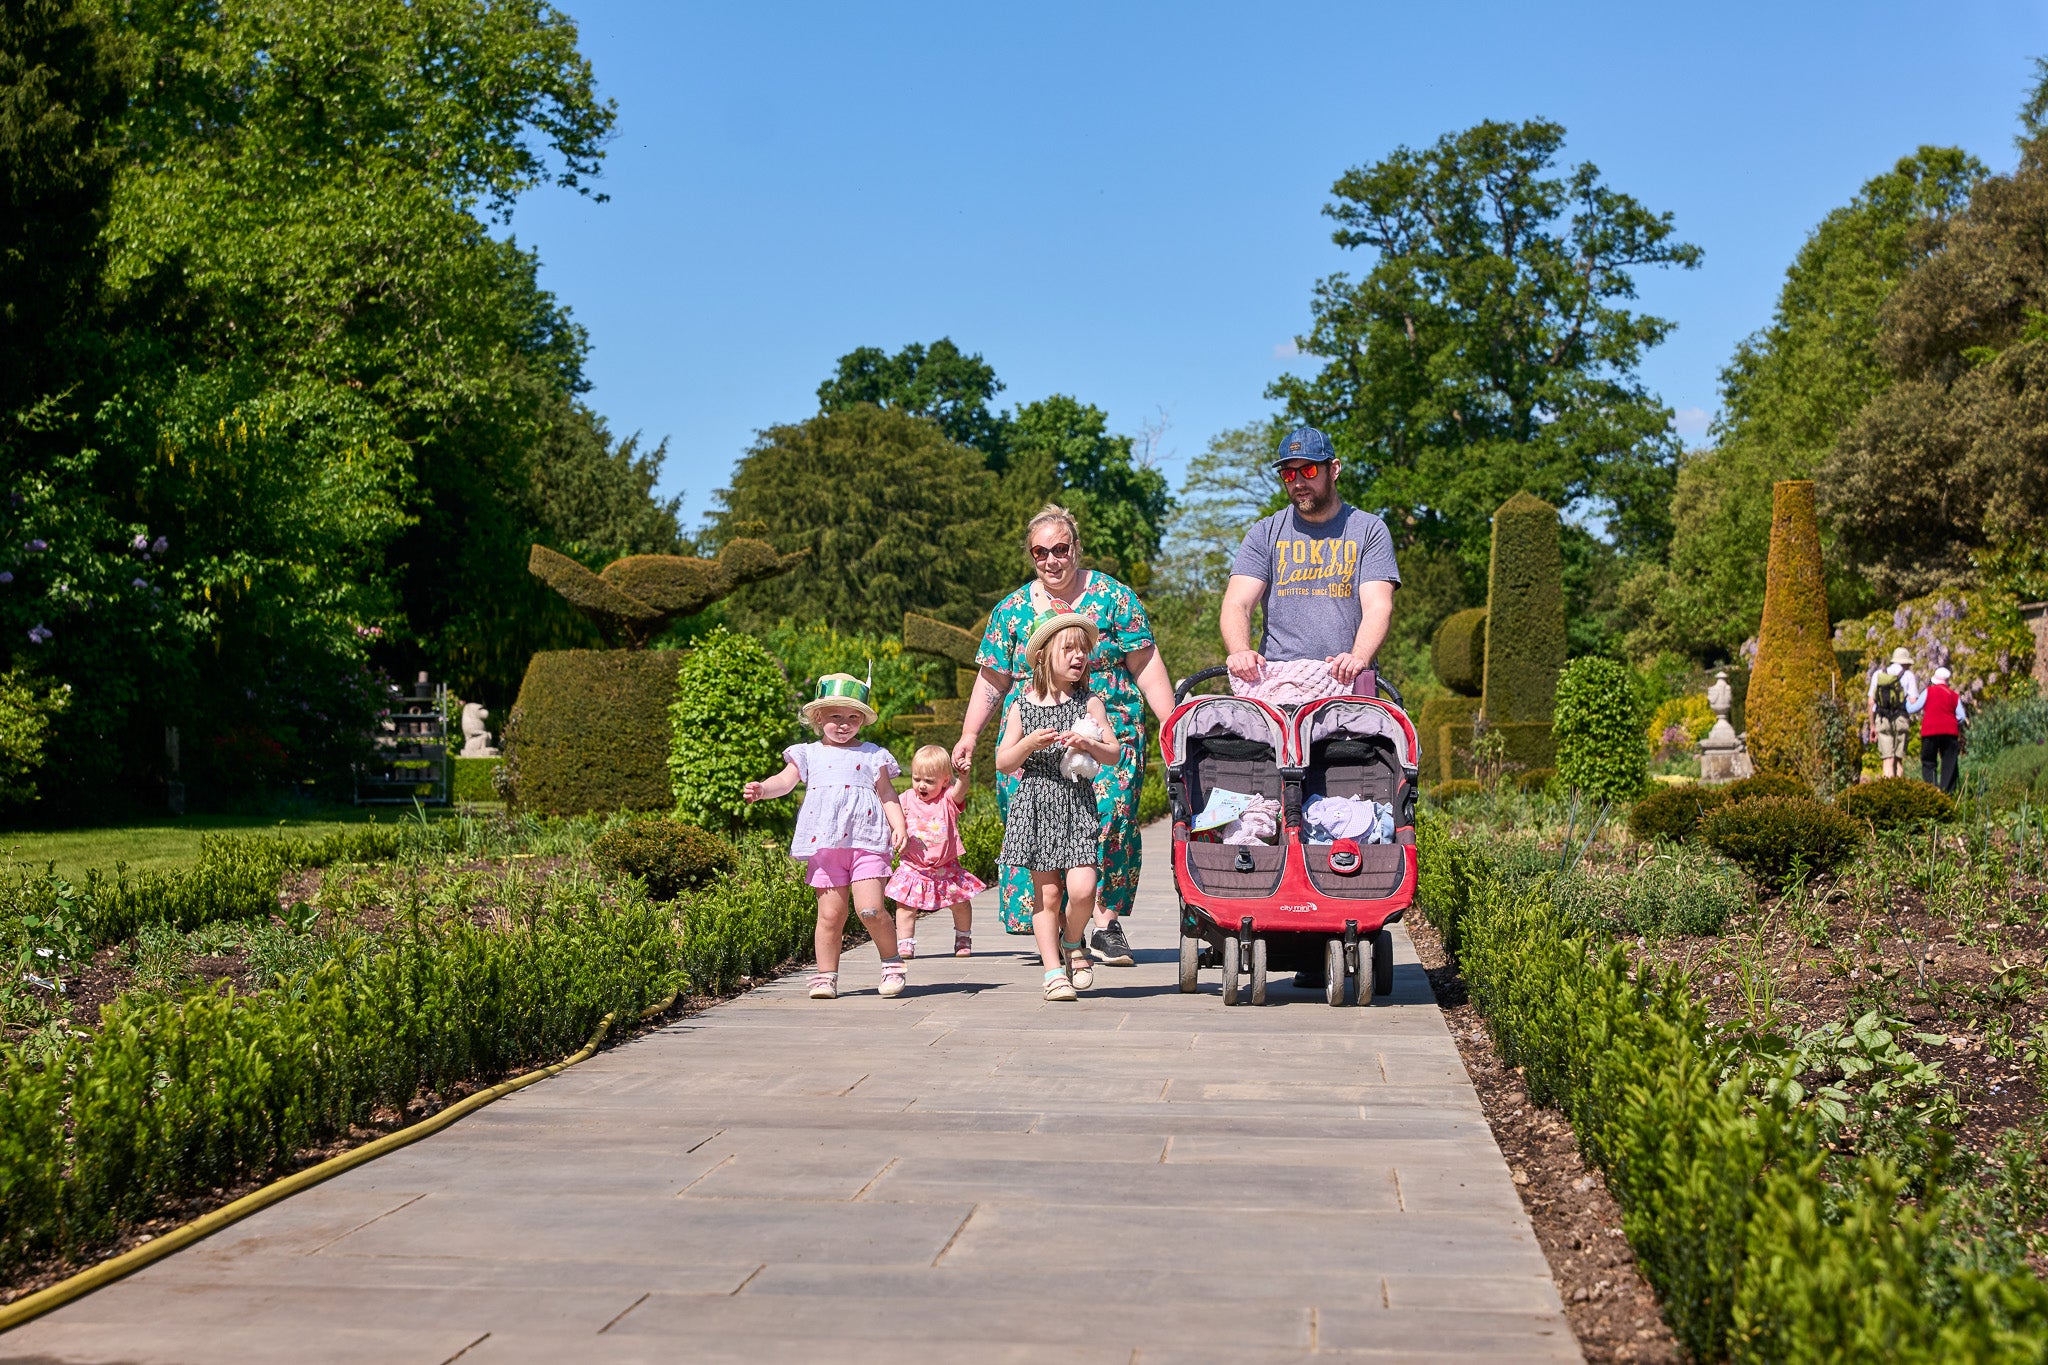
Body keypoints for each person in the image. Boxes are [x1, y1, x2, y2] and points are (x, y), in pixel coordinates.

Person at [953, 504, 1175, 965]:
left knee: (1110, 821)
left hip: (1105, 724)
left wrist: (1173, 724)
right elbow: (992, 678)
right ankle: (1058, 927)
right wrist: (970, 734)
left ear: (1076, 546)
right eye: (1040, 552)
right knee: (1041, 828)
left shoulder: (1115, 597)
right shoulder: (1011, 610)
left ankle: (1104, 920)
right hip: (1034, 729)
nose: (1051, 560)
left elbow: (1145, 663)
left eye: (1060, 548)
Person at [743, 674, 908, 1001]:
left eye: (853, 717)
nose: (844, 724)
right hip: (826, 844)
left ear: (862, 720)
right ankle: (825, 976)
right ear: (818, 718)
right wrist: (763, 789)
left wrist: (899, 825)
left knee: (871, 910)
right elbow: (786, 781)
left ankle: (892, 963)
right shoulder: (808, 754)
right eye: (836, 716)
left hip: (866, 842)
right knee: (831, 915)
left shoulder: (873, 754)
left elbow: (888, 794)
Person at [994, 612, 1124, 1001]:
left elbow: (1114, 753)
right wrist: (1028, 744)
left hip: (1075, 803)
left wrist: (1088, 744)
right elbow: (1003, 761)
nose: (1078, 657)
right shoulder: (1022, 706)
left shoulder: (1090, 703)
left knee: (1083, 889)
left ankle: (1072, 942)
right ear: (1044, 656)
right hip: (1036, 805)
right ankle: (1053, 971)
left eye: (1083, 650)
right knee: (1047, 895)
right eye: (1069, 649)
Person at [1221, 426, 1399, 686]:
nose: (1299, 482)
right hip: (1278, 682)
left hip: (1348, 679)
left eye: (1309, 470)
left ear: (1334, 469)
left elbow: (1378, 606)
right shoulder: (1264, 533)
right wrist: (1239, 651)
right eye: (1289, 474)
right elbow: (1238, 603)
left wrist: (1357, 657)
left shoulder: (1369, 530)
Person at [886, 745, 986, 959]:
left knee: (960, 904)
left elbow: (961, 791)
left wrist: (964, 777)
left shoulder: (947, 799)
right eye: (916, 779)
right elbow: (889, 810)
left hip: (945, 866)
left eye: (929, 781)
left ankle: (963, 937)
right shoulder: (905, 799)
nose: (921, 785)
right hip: (913, 866)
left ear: (945, 781)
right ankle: (905, 943)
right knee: (905, 906)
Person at [1910, 665, 1967, 795]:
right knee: (1949, 762)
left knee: (1928, 761)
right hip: (1949, 733)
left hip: (1930, 731)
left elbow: (1914, 708)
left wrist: (1906, 703)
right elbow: (1962, 716)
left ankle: (1933, 790)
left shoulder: (1928, 691)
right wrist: (1951, 721)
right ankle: (1947, 793)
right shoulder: (1954, 695)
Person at [1867, 647, 1919, 780]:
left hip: (1882, 718)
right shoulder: (1908, 675)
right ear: (1905, 662)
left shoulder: (1878, 674)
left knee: (1887, 759)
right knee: (1898, 759)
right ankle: (1899, 792)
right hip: (1901, 719)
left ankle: (1887, 792)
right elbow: (1913, 702)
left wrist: (1872, 726)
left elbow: (1871, 702)